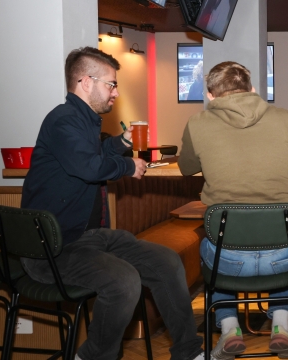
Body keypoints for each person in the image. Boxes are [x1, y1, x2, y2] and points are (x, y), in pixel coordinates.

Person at [21, 47, 204, 360]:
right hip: (52, 247)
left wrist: (120, 144)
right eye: (111, 84)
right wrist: (128, 166)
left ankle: (188, 353)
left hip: (90, 238)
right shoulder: (63, 120)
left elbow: (94, 158)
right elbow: (87, 168)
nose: (116, 93)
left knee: (166, 261)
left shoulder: (85, 122)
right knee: (124, 282)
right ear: (85, 82)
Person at [178, 61, 288, 360]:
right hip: (283, 255)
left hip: (228, 257)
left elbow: (187, 167)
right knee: (284, 240)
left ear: (211, 95)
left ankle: (229, 330)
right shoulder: (284, 117)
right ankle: (281, 326)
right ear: (252, 89)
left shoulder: (198, 123)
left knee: (214, 245)